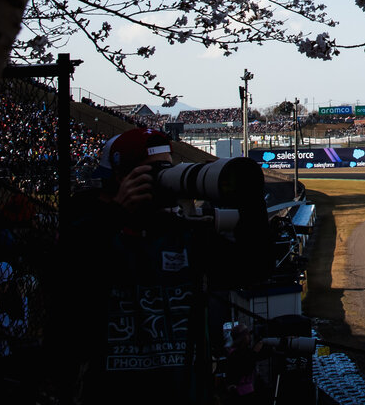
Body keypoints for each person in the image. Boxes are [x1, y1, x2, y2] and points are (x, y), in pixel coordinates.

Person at [62, 128, 271, 404]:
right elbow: (72, 287)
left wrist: (251, 201)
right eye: (152, 172)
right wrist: (118, 215)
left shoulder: (184, 235)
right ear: (120, 179)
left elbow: (254, 267)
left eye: (166, 169)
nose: (162, 180)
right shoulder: (90, 233)